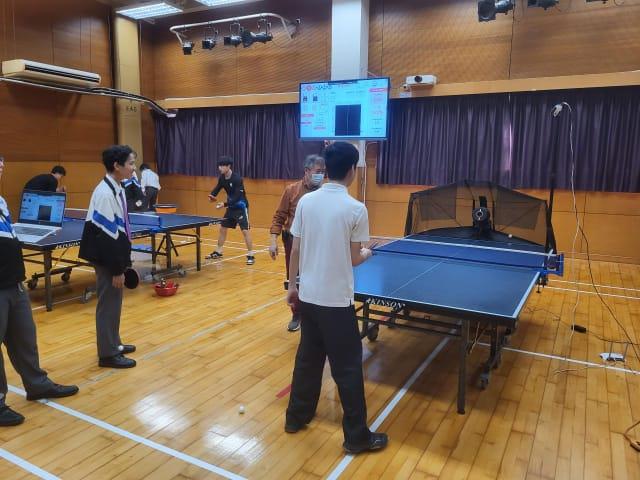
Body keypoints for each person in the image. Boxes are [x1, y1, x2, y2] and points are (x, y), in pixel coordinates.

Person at [285, 142, 388, 454]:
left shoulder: (306, 202)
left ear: (326, 169)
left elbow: (296, 248)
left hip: (308, 296)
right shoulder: (356, 209)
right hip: (336, 303)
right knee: (348, 369)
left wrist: (292, 286)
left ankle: (295, 417)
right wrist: (369, 251)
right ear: (353, 170)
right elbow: (355, 258)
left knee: (307, 360)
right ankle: (357, 437)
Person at [0, 155, 78, 427]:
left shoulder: (1, 202)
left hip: (14, 282)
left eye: (1, 161)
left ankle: (37, 385)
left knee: (25, 338)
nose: (1, 165)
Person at [79, 145, 137, 369]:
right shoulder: (104, 193)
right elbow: (106, 236)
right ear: (117, 166)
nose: (133, 168)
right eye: (131, 163)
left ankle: (114, 343)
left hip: (111, 254)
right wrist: (117, 269)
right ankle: (108, 354)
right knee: (108, 305)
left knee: (115, 302)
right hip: (105, 257)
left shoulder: (117, 187)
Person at [269, 154, 325, 332]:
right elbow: (279, 216)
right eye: (318, 171)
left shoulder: (325, 192)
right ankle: (297, 313)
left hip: (317, 244)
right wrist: (273, 240)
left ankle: (315, 314)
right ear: (307, 171)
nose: (321, 175)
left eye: (323, 172)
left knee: (317, 279)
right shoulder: (291, 190)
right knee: (295, 278)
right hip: (293, 242)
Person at [206, 156, 255, 265]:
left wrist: (224, 204)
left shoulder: (237, 179)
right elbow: (217, 188)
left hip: (241, 207)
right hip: (231, 208)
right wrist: (212, 196)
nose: (220, 168)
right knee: (223, 228)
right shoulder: (222, 178)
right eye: (219, 166)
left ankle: (251, 255)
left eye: (222, 166)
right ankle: (218, 251)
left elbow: (238, 197)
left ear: (228, 166)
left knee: (245, 231)